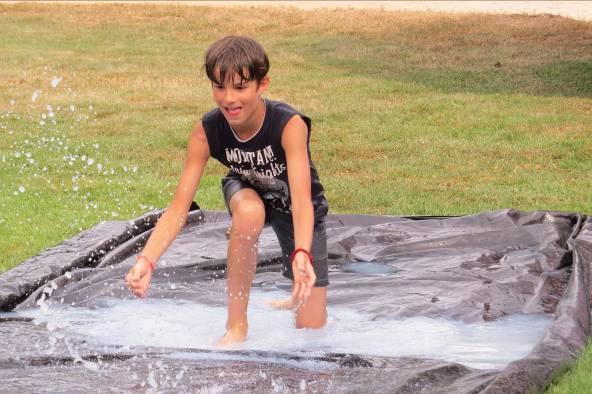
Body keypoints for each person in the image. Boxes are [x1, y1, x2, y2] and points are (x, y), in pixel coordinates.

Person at [125, 35, 329, 346]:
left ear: (262, 85)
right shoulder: (206, 131)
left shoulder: (289, 125)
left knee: (311, 329)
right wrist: (146, 260)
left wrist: (302, 253)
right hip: (246, 187)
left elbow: (302, 203)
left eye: (240, 87)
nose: (229, 99)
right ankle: (236, 326)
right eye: (220, 87)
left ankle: (294, 294)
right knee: (248, 214)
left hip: (293, 202)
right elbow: (179, 208)